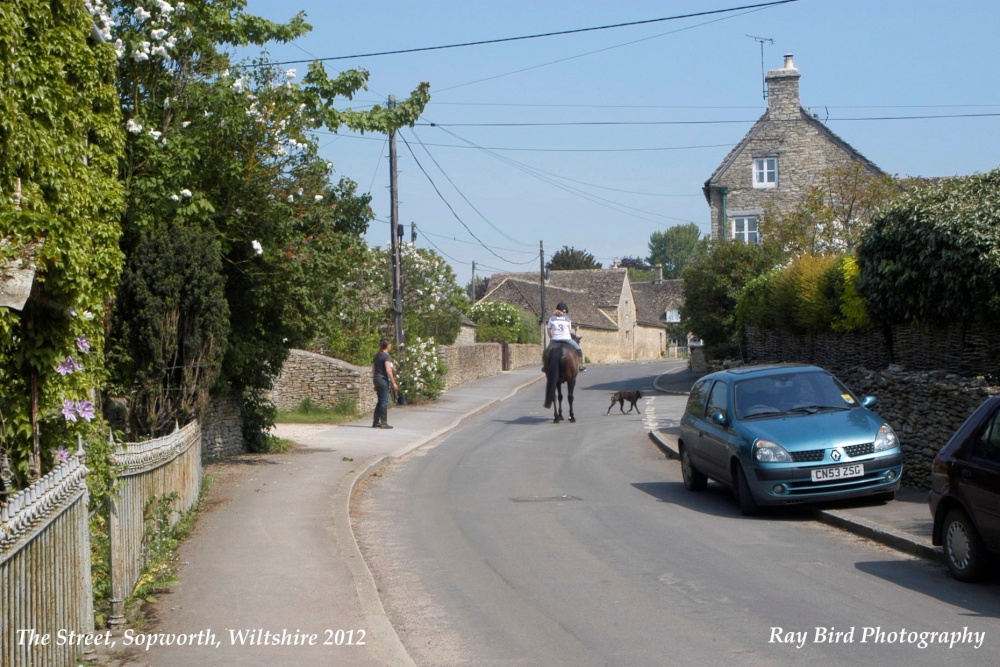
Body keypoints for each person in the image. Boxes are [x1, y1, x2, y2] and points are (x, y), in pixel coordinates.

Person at [544, 302, 585, 371]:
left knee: (546, 352)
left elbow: (548, 330)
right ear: (564, 311)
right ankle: (581, 365)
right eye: (565, 312)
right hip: (567, 339)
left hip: (555, 339)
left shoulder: (551, 318)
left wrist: (551, 338)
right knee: (579, 350)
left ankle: (545, 366)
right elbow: (569, 331)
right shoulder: (567, 319)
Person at [372, 338, 398, 429]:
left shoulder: (377, 356)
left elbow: (373, 370)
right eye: (390, 345)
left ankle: (375, 422)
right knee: (384, 401)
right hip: (383, 379)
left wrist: (375, 382)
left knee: (380, 401)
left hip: (376, 378)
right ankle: (383, 423)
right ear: (387, 346)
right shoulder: (386, 356)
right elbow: (388, 370)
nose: (391, 346)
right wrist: (394, 383)